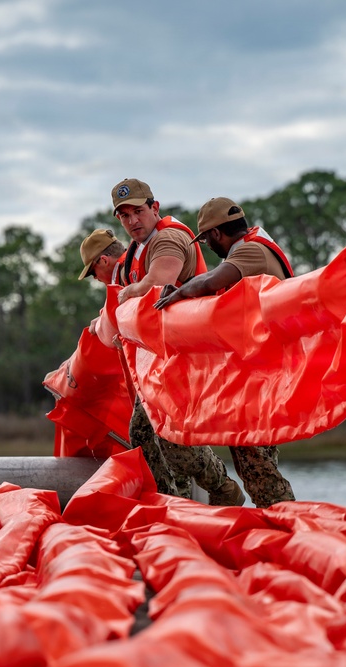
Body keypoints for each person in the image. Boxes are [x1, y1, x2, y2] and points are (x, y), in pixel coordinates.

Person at [109, 178, 245, 506]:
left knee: (172, 440)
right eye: (124, 216)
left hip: (186, 357)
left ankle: (221, 489)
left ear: (154, 208)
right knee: (143, 434)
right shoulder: (138, 249)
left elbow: (157, 284)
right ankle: (173, 503)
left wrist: (127, 294)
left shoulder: (168, 238)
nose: (132, 221)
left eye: (138, 211)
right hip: (161, 358)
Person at [155, 197, 297, 508]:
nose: (207, 246)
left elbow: (211, 281)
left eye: (206, 240)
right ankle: (276, 517)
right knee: (254, 460)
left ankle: (284, 519)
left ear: (216, 234)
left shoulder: (250, 250)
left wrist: (179, 293)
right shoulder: (253, 246)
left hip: (263, 378)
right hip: (259, 374)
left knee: (256, 463)